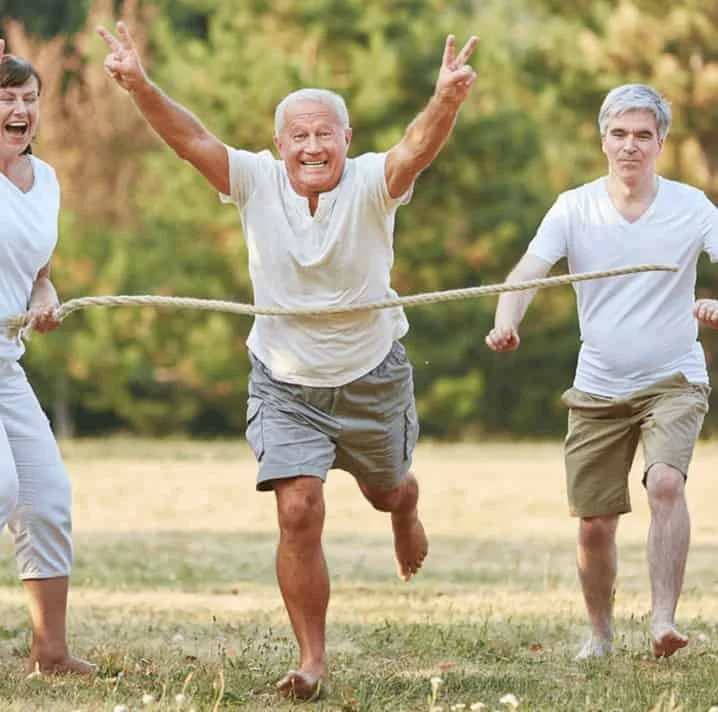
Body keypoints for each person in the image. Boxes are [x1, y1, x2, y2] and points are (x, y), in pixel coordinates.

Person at [97, 21, 477, 698]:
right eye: (297, 135)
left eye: (323, 132)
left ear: (346, 139)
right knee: (298, 508)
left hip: (372, 376)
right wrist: (137, 83)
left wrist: (444, 99)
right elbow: (190, 140)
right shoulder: (254, 180)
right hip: (285, 382)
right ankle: (312, 662)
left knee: (386, 488)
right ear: (279, 145)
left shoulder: (371, 182)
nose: (310, 145)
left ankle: (404, 503)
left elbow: (416, 149)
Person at [486, 83, 718, 660]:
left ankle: (663, 621)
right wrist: (506, 321)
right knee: (595, 523)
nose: (630, 146)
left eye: (643, 135)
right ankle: (601, 634)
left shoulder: (692, 207)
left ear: (661, 141)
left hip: (673, 377)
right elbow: (529, 271)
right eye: (619, 134)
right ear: (603, 139)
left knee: (666, 482)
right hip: (599, 383)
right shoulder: (574, 206)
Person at [0, 40, 95, 674]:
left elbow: (38, 273)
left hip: (6, 359)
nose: (20, 110)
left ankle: (50, 653)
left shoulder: (48, 182)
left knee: (47, 496)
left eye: (30, 99)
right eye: (6, 98)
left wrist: (46, 298)